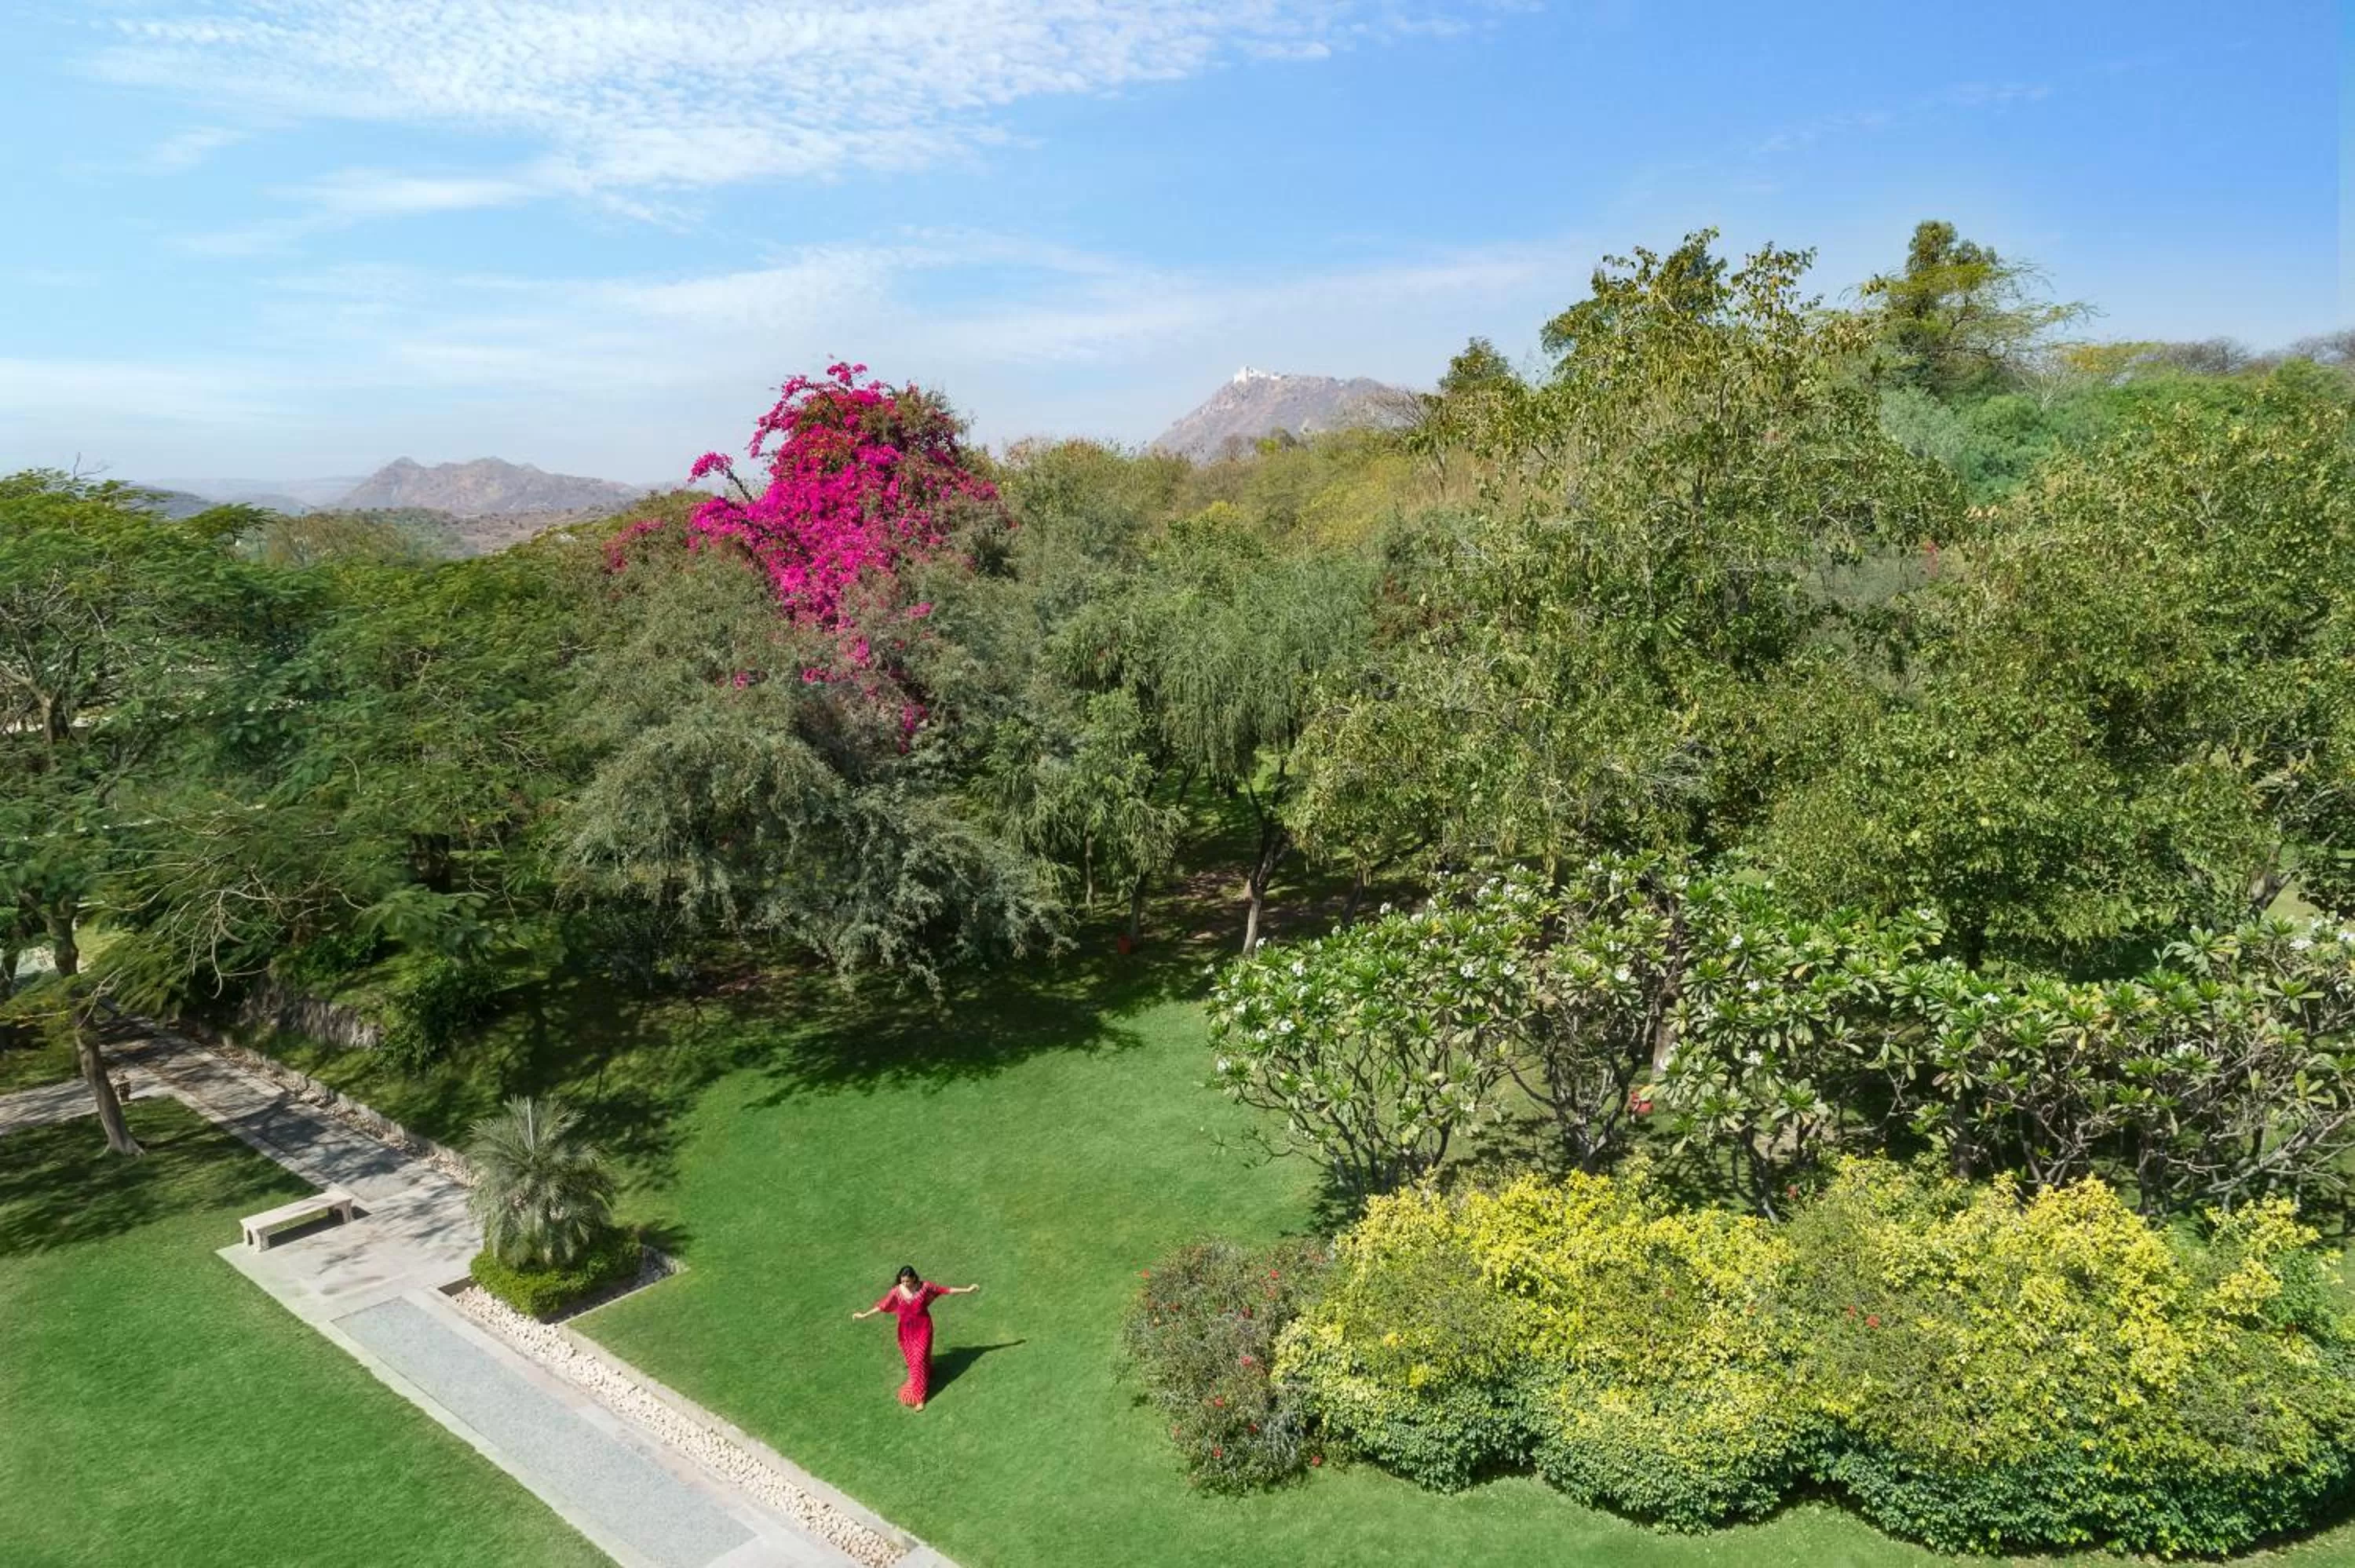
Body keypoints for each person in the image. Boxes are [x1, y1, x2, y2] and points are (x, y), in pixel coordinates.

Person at [852, 1266, 979, 1409]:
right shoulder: (896, 1292)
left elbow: (945, 1290)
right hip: (906, 1332)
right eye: (903, 1281)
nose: (905, 1284)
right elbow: (883, 1306)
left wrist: (967, 1290)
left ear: (914, 1278)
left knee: (919, 1360)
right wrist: (864, 1315)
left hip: (924, 1329)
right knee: (914, 1360)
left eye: (907, 1281)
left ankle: (920, 1398)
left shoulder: (925, 1287)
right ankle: (927, 1372)